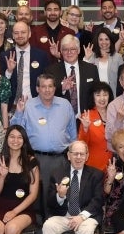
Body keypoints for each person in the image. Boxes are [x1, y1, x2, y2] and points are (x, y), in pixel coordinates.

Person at [42, 140, 104, 234]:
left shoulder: (96, 175)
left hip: (85, 217)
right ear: (68, 156)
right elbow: (49, 202)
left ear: (87, 156)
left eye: (82, 154)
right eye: (75, 153)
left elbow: (98, 201)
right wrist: (60, 196)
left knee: (87, 231)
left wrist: (81, 216)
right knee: (48, 226)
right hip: (64, 215)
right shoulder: (57, 173)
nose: (78, 157)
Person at [9, 74, 77, 210]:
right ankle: (39, 226)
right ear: (37, 89)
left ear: (55, 88)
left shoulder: (65, 105)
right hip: (37, 159)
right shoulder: (28, 106)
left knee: (61, 193)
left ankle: (59, 223)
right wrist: (19, 113)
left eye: (50, 86)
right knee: (38, 195)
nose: (47, 90)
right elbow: (15, 130)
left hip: (61, 159)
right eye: (43, 87)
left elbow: (72, 133)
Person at [48, 34, 99, 115]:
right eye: (65, 49)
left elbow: (97, 94)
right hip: (61, 118)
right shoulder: (51, 71)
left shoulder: (91, 69)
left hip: (86, 119)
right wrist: (62, 88)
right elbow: (46, 95)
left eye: (73, 49)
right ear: (61, 51)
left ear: (78, 50)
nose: (69, 52)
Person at [77, 81, 114, 172]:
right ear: (93, 97)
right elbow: (82, 144)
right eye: (98, 95)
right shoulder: (86, 116)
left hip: (112, 165)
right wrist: (85, 128)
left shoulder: (114, 114)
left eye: (105, 94)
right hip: (93, 166)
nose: (102, 98)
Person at [85, 26, 124, 94]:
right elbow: (84, 75)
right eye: (101, 39)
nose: (104, 42)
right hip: (96, 96)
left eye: (106, 39)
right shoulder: (91, 56)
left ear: (110, 40)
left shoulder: (118, 57)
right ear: (97, 41)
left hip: (113, 95)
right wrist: (86, 58)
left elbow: (123, 77)